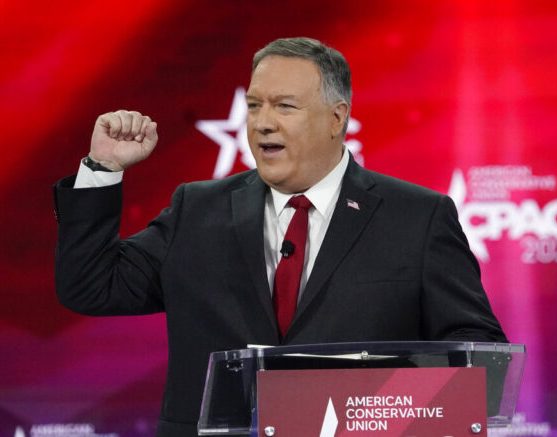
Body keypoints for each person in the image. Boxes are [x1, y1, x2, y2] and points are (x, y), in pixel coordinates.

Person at [54, 37, 506, 436]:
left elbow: (481, 357)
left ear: (336, 118)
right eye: (254, 106)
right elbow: (91, 286)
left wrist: (382, 405)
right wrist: (102, 169)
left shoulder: (416, 218)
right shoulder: (197, 210)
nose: (262, 123)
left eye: (284, 106)